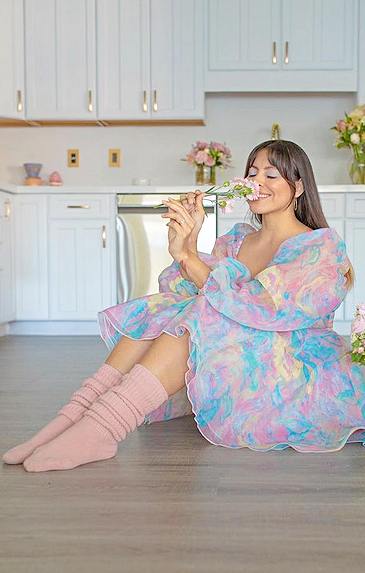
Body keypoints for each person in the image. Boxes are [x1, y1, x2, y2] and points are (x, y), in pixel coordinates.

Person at [3, 139, 365, 472]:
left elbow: (262, 308)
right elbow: (188, 292)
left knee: (197, 316)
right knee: (170, 308)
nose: (258, 181)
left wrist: (191, 258)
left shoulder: (319, 248)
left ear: (298, 187)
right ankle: (72, 417)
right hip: (232, 348)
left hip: (288, 360)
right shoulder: (239, 240)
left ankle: (103, 427)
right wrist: (186, 244)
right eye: (252, 172)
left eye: (272, 174)